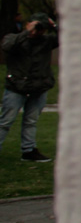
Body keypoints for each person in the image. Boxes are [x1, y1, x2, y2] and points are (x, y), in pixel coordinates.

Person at [0, 13, 59, 162]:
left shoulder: (47, 41)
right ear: (28, 24)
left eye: (42, 28)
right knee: (5, 122)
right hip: (16, 87)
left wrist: (55, 26)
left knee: (31, 121)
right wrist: (27, 33)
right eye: (37, 26)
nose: (39, 31)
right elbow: (7, 46)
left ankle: (28, 150)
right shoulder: (14, 38)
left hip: (39, 88)